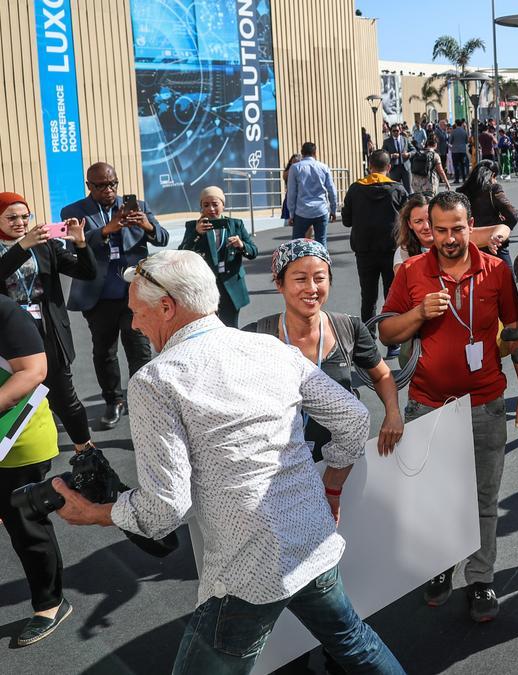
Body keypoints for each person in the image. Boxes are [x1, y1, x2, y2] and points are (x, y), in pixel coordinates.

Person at [50, 250, 404, 673]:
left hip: (245, 571)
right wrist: (330, 481)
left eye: (137, 312)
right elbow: (353, 416)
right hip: (312, 537)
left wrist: (95, 513)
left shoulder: (156, 380)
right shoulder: (270, 349)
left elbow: (166, 510)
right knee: (353, 642)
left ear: (167, 307)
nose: (135, 323)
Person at [378, 191, 518, 623]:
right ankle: (440, 566)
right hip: (428, 407)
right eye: (441, 230)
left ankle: (481, 580)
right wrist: (418, 314)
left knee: (485, 498)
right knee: (436, 498)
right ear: (429, 228)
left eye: (458, 229)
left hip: (485, 404)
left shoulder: (497, 272)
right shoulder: (412, 271)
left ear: (472, 227)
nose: (449, 239)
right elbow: (387, 333)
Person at [248, 239, 404, 460]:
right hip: (278, 466)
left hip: (340, 462)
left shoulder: (348, 328)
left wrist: (393, 413)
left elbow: (382, 375)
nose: (311, 288)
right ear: (279, 283)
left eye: (320, 278)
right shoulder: (256, 336)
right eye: (300, 279)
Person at [62, 162, 168, 430]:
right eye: (101, 186)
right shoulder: (73, 211)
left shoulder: (137, 206)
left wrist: (147, 225)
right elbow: (73, 247)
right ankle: (113, 401)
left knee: (139, 350)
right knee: (104, 352)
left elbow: (163, 238)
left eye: (113, 184)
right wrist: (106, 230)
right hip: (99, 296)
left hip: (135, 294)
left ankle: (142, 399)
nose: (109, 190)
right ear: (89, 186)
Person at [0, 294, 73, 647]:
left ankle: (50, 604)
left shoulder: (4, 310)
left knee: (25, 525)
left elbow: (33, 371)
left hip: (15, 439)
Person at [0, 194, 96, 452]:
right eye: (11, 218)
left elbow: (87, 273)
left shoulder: (45, 245)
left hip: (48, 332)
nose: (20, 222)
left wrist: (81, 243)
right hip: (7, 338)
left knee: (65, 398)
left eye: (24, 217)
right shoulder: (24, 244)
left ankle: (85, 451)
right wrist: (22, 247)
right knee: (14, 398)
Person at [342, 149, 409, 330]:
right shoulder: (398, 190)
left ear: (369, 167)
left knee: (368, 297)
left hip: (364, 251)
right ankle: (394, 339)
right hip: (391, 251)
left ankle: (368, 338)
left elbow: (346, 221)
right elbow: (408, 221)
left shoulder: (355, 189)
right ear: (389, 167)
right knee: (392, 295)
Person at [178, 186, 257, 327]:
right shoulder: (193, 226)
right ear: (201, 207)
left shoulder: (236, 224)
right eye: (206, 205)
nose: (211, 209)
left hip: (230, 284)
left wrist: (241, 245)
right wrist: (196, 234)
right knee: (208, 327)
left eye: (215, 204)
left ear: (223, 205)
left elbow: (253, 252)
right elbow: (183, 253)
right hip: (206, 286)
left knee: (231, 326)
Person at [459, 160, 518, 270]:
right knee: (506, 282)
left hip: (470, 247)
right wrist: (502, 228)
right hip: (494, 246)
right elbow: (513, 215)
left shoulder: (462, 191)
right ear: (493, 175)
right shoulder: (493, 189)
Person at [285, 142, 338, 248]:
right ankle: (323, 264)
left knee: (297, 244)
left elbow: (291, 192)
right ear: (315, 153)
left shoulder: (295, 168)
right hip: (321, 210)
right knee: (321, 242)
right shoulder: (324, 167)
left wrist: (291, 213)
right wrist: (333, 209)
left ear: (302, 153)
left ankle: (298, 264)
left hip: (302, 211)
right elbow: (332, 190)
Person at [393, 192, 433, 269]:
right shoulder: (403, 252)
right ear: (410, 224)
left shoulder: (451, 246)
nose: (426, 227)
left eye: (430, 220)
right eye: (418, 221)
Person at [382, 124, 412, 192]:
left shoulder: (405, 139)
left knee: (408, 188)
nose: (396, 132)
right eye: (394, 131)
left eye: (397, 130)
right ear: (391, 131)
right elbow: (383, 154)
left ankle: (409, 202)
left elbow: (414, 150)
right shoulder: (387, 142)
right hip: (394, 168)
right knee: (394, 188)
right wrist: (391, 155)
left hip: (405, 167)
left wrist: (408, 154)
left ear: (400, 130)